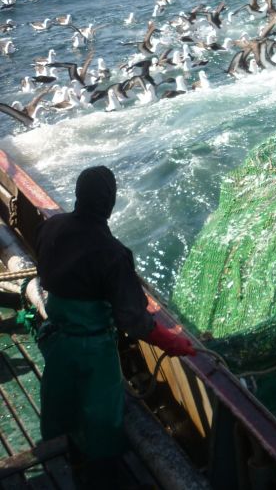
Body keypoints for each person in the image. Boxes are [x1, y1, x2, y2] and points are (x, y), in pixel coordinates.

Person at [36, 165, 196, 488]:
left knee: (58, 413)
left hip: (56, 342)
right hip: (93, 353)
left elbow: (45, 273)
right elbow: (134, 322)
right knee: (102, 425)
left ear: (78, 195)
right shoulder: (113, 254)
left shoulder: (51, 227)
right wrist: (175, 343)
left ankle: (58, 470)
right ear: (109, 203)